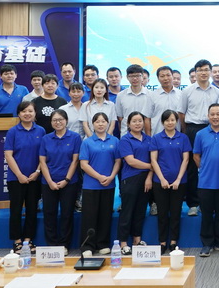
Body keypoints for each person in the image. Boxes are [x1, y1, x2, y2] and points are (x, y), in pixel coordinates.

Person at [179, 59, 219, 216]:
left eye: (206, 70)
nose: (203, 73)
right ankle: (193, 203)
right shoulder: (187, 91)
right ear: (195, 73)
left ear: (210, 72)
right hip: (192, 129)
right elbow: (181, 113)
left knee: (211, 165)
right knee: (192, 167)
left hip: (211, 130)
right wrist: (186, 131)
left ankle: (210, 202)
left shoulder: (217, 92)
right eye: (200, 70)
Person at [0, 64, 30, 201]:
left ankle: (22, 189)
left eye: (11, 73)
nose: (9, 75)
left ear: (16, 75)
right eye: (6, 73)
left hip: (20, 132)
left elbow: (27, 108)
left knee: (20, 160)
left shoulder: (23, 89)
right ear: (0, 76)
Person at [4, 101, 44, 253]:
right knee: (15, 209)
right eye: (24, 111)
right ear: (19, 114)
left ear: (35, 113)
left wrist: (37, 172)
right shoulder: (13, 131)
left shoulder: (41, 131)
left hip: (35, 178)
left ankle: (28, 240)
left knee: (32, 209)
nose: (27, 114)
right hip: (16, 178)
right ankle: (17, 241)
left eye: (30, 111)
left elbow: (43, 155)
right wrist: (19, 175)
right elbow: (8, 155)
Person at [39, 109, 81, 253]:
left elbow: (75, 161)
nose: (58, 122)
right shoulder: (46, 138)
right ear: (51, 122)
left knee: (66, 214)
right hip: (48, 182)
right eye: (54, 120)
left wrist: (66, 180)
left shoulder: (75, 137)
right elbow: (42, 162)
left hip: (69, 182)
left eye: (60, 119)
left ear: (66, 121)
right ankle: (52, 244)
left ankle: (64, 245)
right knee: (49, 213)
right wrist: (50, 181)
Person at [193, 103, 219, 256]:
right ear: (208, 116)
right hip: (205, 182)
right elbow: (196, 156)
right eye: (212, 114)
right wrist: (204, 168)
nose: (215, 117)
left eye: (218, 114)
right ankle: (207, 244)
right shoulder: (200, 134)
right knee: (207, 215)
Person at [79, 112, 120, 257]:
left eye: (103, 121)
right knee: (89, 216)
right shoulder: (87, 142)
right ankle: (87, 246)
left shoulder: (114, 141)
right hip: (91, 185)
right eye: (97, 122)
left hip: (109, 184)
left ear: (108, 123)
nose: (101, 124)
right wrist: (99, 177)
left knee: (105, 215)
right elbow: (84, 164)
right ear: (93, 124)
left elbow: (118, 161)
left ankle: (103, 244)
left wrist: (112, 176)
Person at [150, 110, 191, 254]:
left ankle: (173, 241)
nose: (170, 122)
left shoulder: (183, 138)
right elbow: (153, 160)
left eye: (173, 120)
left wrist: (178, 179)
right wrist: (162, 179)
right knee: (162, 213)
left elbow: (186, 160)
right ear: (163, 122)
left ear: (177, 121)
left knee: (175, 212)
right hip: (159, 182)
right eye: (167, 120)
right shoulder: (156, 138)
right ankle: (162, 242)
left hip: (179, 182)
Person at [117, 111, 153, 255]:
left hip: (146, 179)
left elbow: (154, 159)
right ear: (128, 124)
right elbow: (131, 161)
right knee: (127, 211)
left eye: (140, 121)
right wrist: (152, 166)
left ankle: (137, 240)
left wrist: (150, 176)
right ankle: (123, 243)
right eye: (134, 121)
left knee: (140, 210)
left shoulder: (149, 139)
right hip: (130, 178)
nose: (137, 124)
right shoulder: (125, 140)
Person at [115, 64, 152, 136]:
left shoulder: (150, 95)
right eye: (131, 76)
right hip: (126, 134)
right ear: (127, 77)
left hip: (144, 135)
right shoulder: (121, 95)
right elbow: (120, 117)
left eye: (138, 76)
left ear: (142, 77)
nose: (135, 79)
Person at [150, 66, 182, 135]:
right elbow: (147, 118)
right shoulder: (152, 96)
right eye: (162, 76)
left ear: (172, 76)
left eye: (168, 75)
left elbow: (182, 115)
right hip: (157, 134)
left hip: (177, 135)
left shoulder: (181, 94)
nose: (166, 78)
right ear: (158, 78)